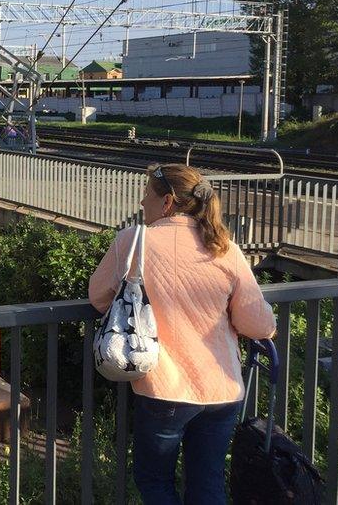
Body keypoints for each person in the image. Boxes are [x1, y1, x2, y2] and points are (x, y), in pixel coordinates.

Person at [89, 163, 275, 505]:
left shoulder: (134, 242)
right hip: (222, 389)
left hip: (164, 389)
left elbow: (99, 296)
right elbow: (259, 325)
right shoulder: (224, 248)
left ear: (167, 202)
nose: (142, 203)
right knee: (208, 484)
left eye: (147, 195)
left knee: (155, 481)